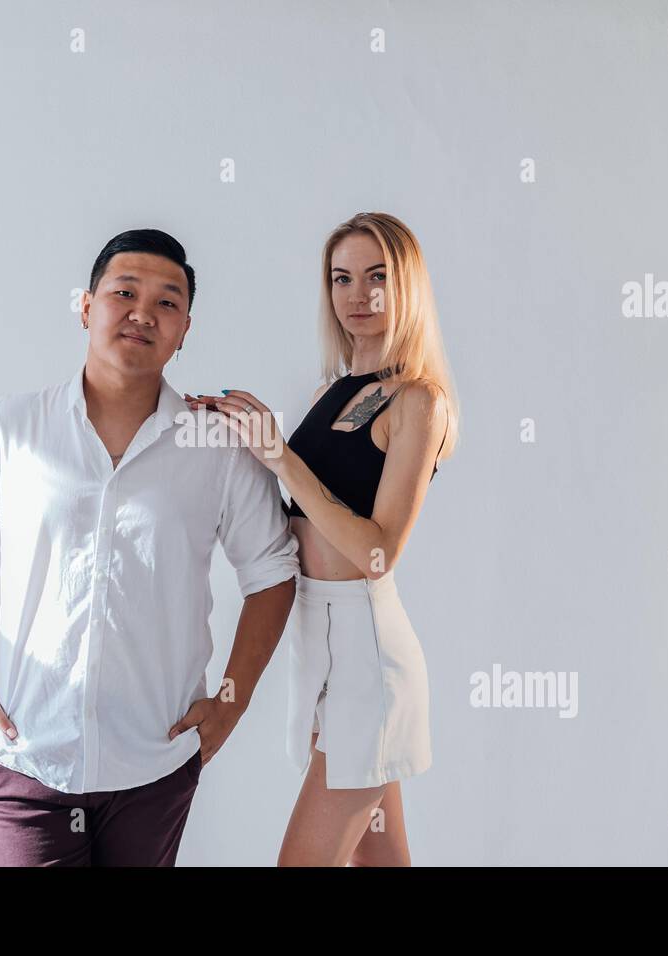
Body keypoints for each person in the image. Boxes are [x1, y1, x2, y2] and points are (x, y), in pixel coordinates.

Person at [0, 228, 299, 866]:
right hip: (26, 760)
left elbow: (273, 571)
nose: (143, 313)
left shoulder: (218, 448)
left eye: (167, 302)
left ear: (185, 330)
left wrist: (231, 702)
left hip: (155, 762)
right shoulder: (10, 431)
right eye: (124, 292)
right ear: (87, 307)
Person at [186, 212, 459, 866]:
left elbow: (376, 551)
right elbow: (303, 515)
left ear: (408, 287)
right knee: (380, 858)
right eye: (341, 278)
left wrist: (281, 457)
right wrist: (235, 435)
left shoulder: (419, 401)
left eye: (376, 278)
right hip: (320, 640)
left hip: (367, 651)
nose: (356, 296)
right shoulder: (329, 391)